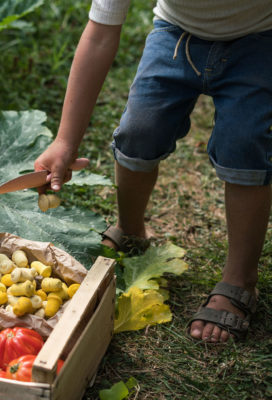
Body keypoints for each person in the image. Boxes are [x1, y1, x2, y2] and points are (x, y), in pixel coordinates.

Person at [34, 0, 272, 343]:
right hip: (176, 36)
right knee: (138, 133)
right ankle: (131, 230)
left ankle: (240, 278)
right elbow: (100, 34)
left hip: (259, 39)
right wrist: (65, 140)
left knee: (244, 146)